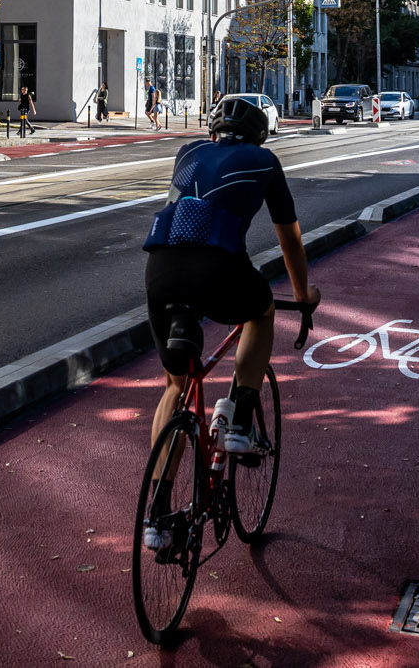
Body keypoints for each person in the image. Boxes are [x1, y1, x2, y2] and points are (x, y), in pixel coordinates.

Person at [140, 95, 318, 553]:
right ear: (260, 133)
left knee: (175, 385)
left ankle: (157, 519)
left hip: (160, 270)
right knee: (260, 312)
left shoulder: (188, 153)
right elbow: (289, 237)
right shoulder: (264, 160)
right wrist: (303, 296)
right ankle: (238, 419)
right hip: (218, 268)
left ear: (214, 131)